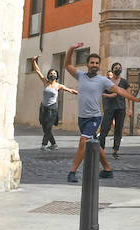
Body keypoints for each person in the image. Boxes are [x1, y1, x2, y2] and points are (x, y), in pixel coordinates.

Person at [63, 43, 114, 183]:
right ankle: (107, 170)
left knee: (83, 142)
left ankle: (72, 172)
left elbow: (117, 90)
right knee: (93, 142)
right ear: (87, 64)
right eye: (92, 62)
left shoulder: (102, 80)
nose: (94, 64)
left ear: (99, 65)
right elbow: (67, 65)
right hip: (82, 117)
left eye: (97, 63)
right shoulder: (81, 76)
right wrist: (71, 49)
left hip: (94, 117)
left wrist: (132, 98)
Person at [29, 57, 75, 150]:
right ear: (48, 75)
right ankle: (54, 144)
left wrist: (82, 93)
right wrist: (34, 61)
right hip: (43, 108)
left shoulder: (58, 85)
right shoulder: (45, 82)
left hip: (52, 109)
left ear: (57, 76)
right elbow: (38, 71)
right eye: (51, 73)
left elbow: (70, 90)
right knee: (44, 128)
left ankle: (43, 145)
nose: (52, 75)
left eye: (54, 73)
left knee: (49, 127)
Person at [98, 62, 133, 158]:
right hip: (109, 108)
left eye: (119, 68)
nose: (118, 69)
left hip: (121, 108)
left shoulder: (124, 82)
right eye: (116, 68)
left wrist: (130, 109)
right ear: (112, 70)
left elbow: (129, 96)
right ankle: (101, 148)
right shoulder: (107, 82)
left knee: (118, 129)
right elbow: (101, 94)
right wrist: (110, 95)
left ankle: (115, 150)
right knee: (105, 128)